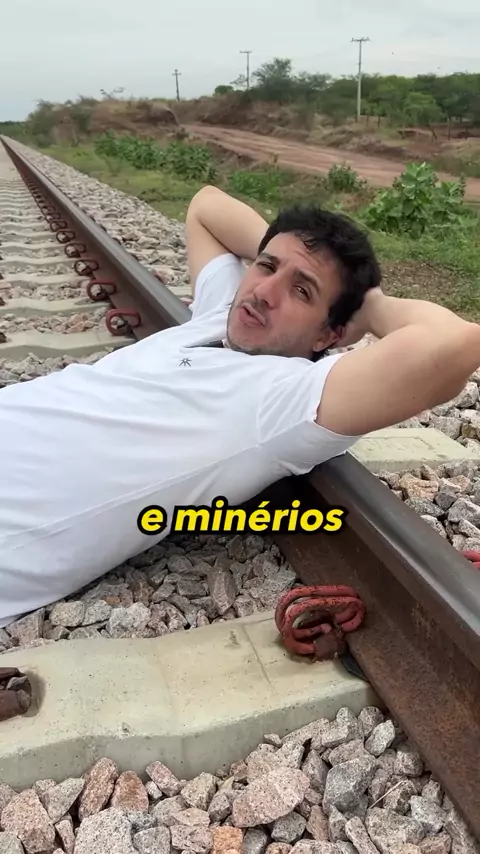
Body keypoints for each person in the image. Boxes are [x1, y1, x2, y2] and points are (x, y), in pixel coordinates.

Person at [1, 185, 479, 628]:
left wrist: (370, 304)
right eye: (266, 267)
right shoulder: (217, 317)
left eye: (302, 291)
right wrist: (294, 248)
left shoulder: (282, 399)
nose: (263, 293)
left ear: (329, 334)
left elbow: (455, 344)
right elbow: (206, 206)